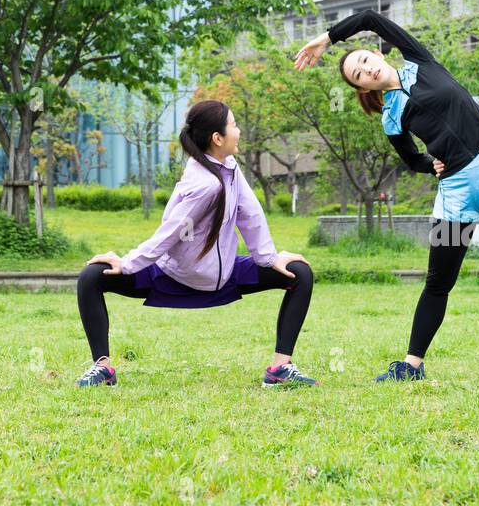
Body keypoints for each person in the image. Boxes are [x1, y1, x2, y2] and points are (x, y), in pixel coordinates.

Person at [294, 8, 479, 384]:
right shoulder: (390, 116)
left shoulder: (419, 61)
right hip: (456, 192)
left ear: (376, 54)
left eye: (364, 61)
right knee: (438, 281)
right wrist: (431, 166)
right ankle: (411, 365)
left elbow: (369, 17)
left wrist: (327, 39)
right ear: (363, 89)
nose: (366, 70)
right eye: (358, 75)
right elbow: (412, 158)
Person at [75, 99, 317, 388]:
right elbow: (171, 231)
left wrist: (269, 258)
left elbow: (249, 213)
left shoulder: (228, 167)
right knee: (92, 276)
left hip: (223, 275)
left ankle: (280, 369)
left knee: (299, 272)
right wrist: (127, 264)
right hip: (171, 277)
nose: (238, 131)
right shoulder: (206, 184)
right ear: (217, 138)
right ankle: (102, 369)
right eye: (234, 125)